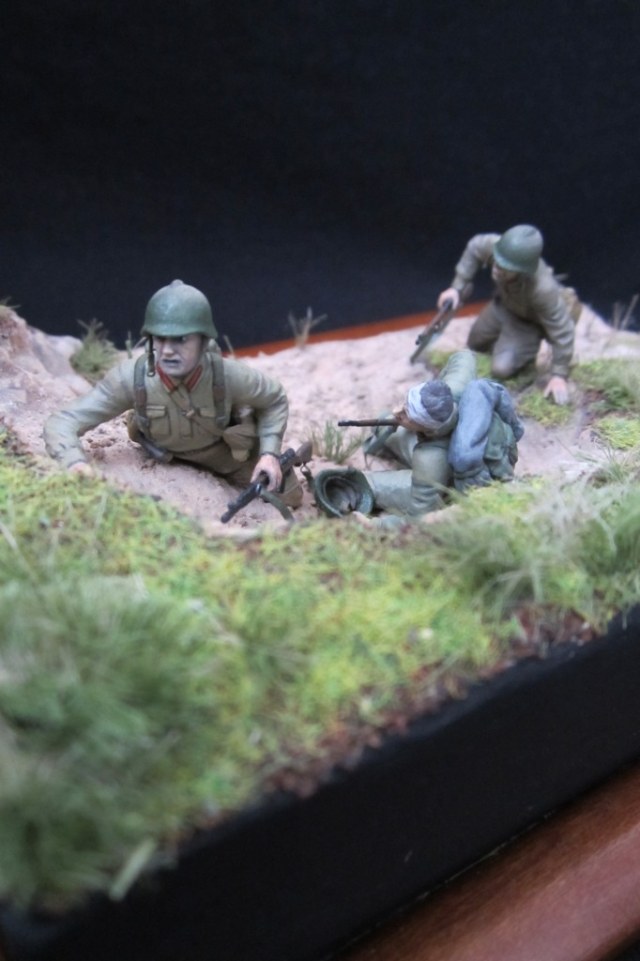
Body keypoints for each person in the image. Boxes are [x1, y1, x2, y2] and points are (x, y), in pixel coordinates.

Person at [43, 279, 302, 505]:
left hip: (223, 453)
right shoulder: (131, 378)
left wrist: (269, 454)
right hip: (162, 454)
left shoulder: (227, 375)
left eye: (181, 339)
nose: (167, 350)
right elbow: (63, 421)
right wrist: (74, 463)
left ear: (203, 341)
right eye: (160, 338)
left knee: (289, 495)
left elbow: (274, 399)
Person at [313, 350, 524, 529]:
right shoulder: (455, 387)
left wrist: (376, 526)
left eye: (406, 414)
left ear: (427, 427)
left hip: (455, 474)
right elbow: (464, 356)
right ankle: (383, 433)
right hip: (486, 447)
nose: (397, 411)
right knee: (386, 425)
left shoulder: (430, 460)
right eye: (404, 405)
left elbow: (419, 518)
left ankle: (356, 489)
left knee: (373, 484)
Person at [437, 225, 580, 405]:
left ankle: (524, 357)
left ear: (522, 270)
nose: (497, 268)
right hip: (502, 307)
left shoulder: (543, 290)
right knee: (475, 343)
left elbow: (563, 329)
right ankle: (504, 344)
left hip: (527, 324)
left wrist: (559, 374)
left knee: (501, 368)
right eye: (497, 260)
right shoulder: (499, 247)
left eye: (505, 266)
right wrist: (457, 287)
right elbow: (475, 246)